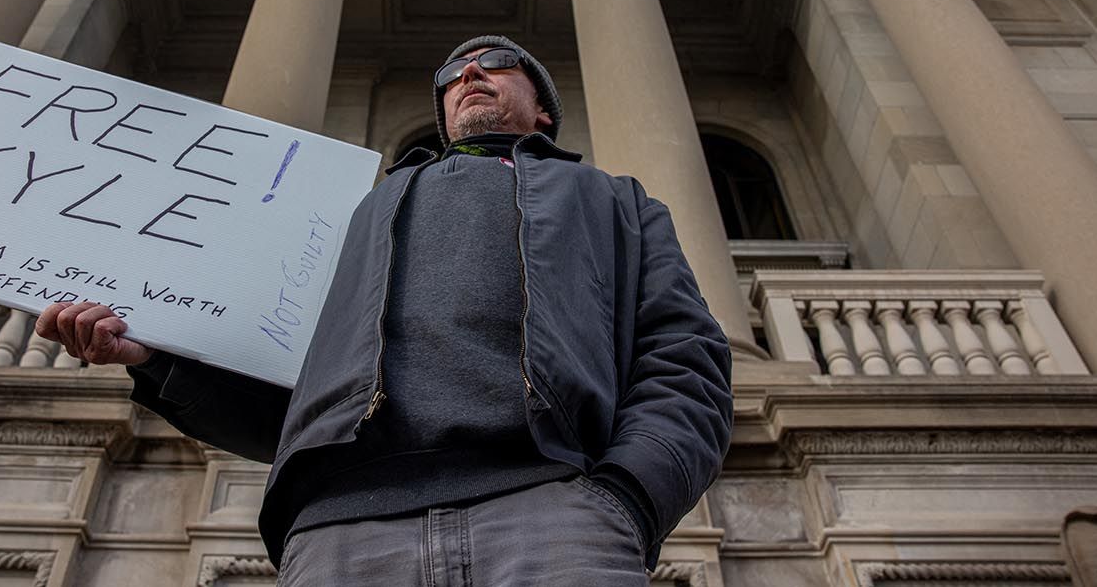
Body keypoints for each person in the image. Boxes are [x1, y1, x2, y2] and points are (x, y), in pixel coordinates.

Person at [36, 35, 733, 586]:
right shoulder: (352, 215)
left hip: (554, 514)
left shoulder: (612, 200)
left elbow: (684, 356)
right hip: (342, 531)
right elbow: (288, 397)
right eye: (453, 75)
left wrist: (629, 497)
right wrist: (155, 360)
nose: (470, 75)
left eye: (496, 63)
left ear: (543, 107)